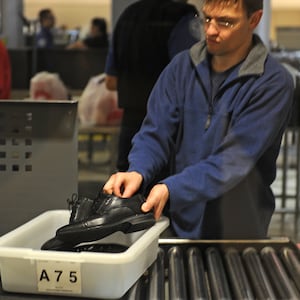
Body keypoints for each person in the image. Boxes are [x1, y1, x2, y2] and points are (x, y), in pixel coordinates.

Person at [103, 0, 294, 240]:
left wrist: (172, 188)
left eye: (225, 22)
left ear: (254, 20)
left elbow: (233, 160)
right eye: (207, 18)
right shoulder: (181, 68)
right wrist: (138, 171)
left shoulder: (271, 82)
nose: (211, 30)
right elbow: (155, 132)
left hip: (238, 230)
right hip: (177, 224)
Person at [104, 0, 200, 172]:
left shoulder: (128, 15)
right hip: (170, 126)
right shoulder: (182, 16)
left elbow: (110, 80)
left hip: (130, 124)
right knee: (166, 190)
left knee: (128, 189)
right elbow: (189, 77)